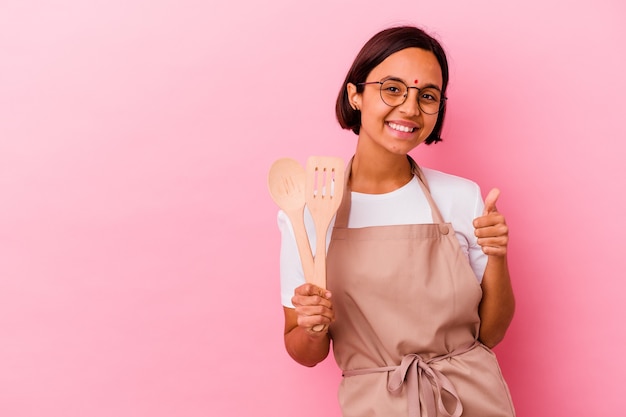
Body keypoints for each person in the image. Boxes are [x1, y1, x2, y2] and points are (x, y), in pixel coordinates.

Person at [277, 25, 516, 417]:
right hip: (377, 405)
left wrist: (498, 255)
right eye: (392, 88)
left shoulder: (461, 197)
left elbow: (491, 333)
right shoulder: (307, 211)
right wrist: (312, 326)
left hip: (474, 399)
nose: (409, 108)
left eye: (427, 96)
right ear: (355, 94)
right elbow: (305, 354)